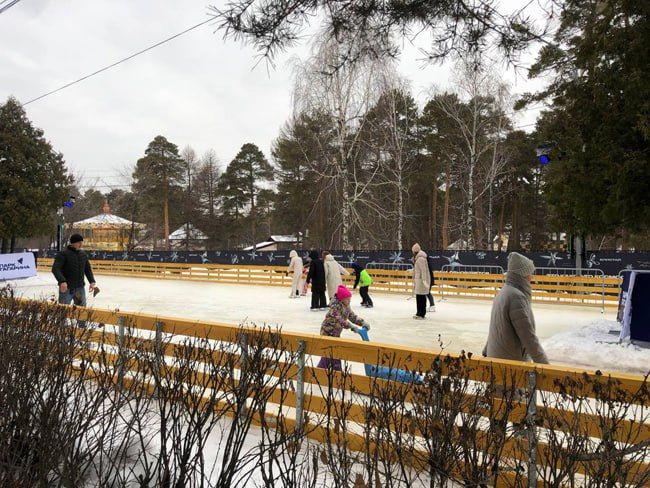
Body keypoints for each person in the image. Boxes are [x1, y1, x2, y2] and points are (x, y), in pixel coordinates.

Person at [482, 252, 549, 364]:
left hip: (497, 356)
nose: (531, 277)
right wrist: (545, 365)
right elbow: (527, 336)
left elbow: (497, 327)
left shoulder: (504, 292)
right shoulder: (516, 297)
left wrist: (486, 350)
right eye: (529, 273)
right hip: (510, 362)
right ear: (521, 275)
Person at [317, 285, 370, 370]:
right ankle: (319, 371)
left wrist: (362, 322)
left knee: (336, 353)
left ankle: (337, 372)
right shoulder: (334, 307)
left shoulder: (346, 306)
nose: (349, 301)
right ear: (341, 299)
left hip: (336, 333)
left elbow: (352, 316)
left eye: (350, 298)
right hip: (327, 333)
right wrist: (351, 326)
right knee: (328, 354)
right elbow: (339, 320)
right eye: (347, 299)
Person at [51, 234, 97, 310]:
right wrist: (62, 281)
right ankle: (61, 322)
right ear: (73, 243)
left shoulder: (83, 254)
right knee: (62, 312)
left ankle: (81, 322)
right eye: (79, 242)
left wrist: (91, 281)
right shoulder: (63, 254)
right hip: (66, 289)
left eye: (82, 242)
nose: (81, 244)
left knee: (82, 311)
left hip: (80, 288)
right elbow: (55, 269)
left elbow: (87, 269)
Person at [411, 243, 431, 319]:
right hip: (419, 281)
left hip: (421, 281)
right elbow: (418, 269)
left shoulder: (420, 259)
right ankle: (419, 313)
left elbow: (424, 271)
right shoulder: (418, 258)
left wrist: (425, 281)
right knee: (419, 297)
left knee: (421, 298)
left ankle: (421, 314)